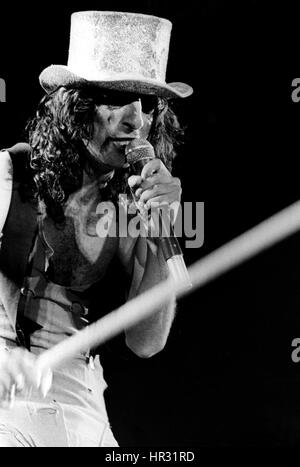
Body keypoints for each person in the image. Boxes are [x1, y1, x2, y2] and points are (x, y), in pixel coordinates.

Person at [0, 11, 193, 447]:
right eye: (116, 99)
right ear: (75, 106)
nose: (134, 121)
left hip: (83, 398)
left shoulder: (130, 209)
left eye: (146, 105)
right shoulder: (9, 173)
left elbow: (146, 342)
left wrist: (163, 226)